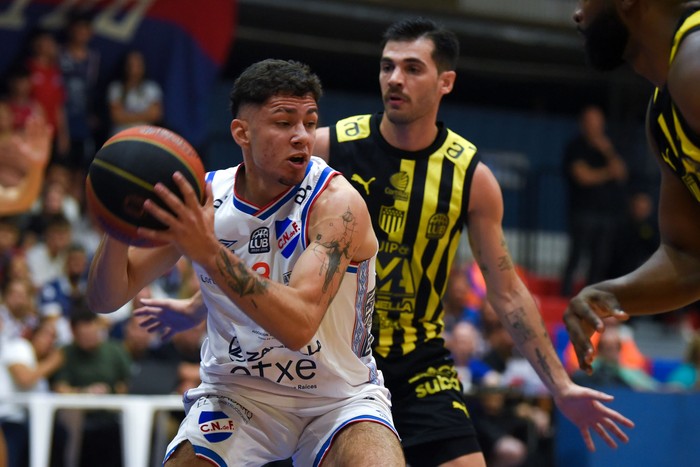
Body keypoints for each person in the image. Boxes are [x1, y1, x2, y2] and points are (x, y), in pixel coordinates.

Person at [142, 18, 634, 464]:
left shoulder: (471, 175)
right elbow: (258, 234)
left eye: (412, 68)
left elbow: (506, 291)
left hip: (416, 362)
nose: (394, 79)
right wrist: (197, 303)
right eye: (386, 67)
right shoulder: (323, 145)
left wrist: (561, 385)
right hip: (324, 358)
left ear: (446, 82)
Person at [87, 58, 405, 466]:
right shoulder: (205, 200)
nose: (302, 137)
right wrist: (119, 226)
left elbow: (299, 324)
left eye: (309, 122)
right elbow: (105, 298)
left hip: (338, 398)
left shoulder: (336, 204)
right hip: (238, 393)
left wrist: (208, 254)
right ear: (242, 132)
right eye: (284, 122)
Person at [564, 1, 700, 375]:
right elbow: (689, 257)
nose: (577, 14)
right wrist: (614, 292)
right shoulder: (663, 115)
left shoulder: (695, 62)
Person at [560, 105, 628, 297]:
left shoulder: (609, 146)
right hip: (582, 211)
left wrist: (608, 152)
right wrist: (608, 173)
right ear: (583, 124)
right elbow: (583, 176)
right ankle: (564, 295)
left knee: (600, 259)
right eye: (590, 122)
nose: (594, 126)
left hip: (606, 212)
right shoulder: (575, 147)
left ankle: (591, 296)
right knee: (576, 256)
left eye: (598, 122)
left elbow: (621, 172)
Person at [106, 49, 162, 136]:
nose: (134, 68)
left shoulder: (152, 88)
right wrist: (144, 115)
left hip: (145, 136)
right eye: (131, 65)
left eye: (137, 65)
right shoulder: (116, 88)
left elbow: (155, 114)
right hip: (120, 136)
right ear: (125, 66)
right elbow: (116, 117)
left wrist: (126, 116)